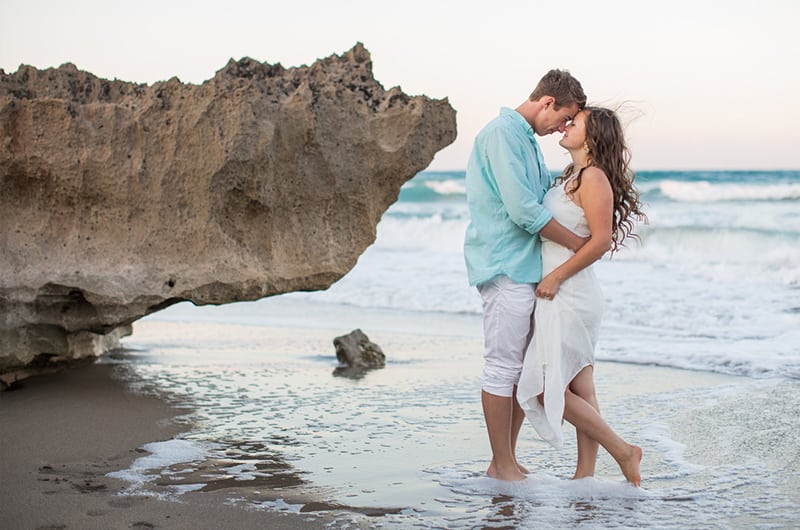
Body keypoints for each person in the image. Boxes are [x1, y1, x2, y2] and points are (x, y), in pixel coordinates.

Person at [463, 69, 588, 482]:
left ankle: (506, 460)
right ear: (547, 102)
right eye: (563, 118)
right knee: (502, 367)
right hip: (504, 265)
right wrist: (578, 245)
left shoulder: (526, 141)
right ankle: (501, 464)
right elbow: (524, 211)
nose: (561, 129)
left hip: (524, 266)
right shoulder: (503, 133)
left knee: (517, 369)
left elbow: (541, 199)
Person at [516, 106, 647, 487]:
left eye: (576, 123)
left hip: (570, 292)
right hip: (562, 290)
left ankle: (623, 451)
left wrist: (555, 277)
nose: (567, 125)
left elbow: (601, 241)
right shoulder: (571, 176)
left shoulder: (593, 178)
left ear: (593, 138)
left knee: (543, 389)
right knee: (581, 387)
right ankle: (585, 476)